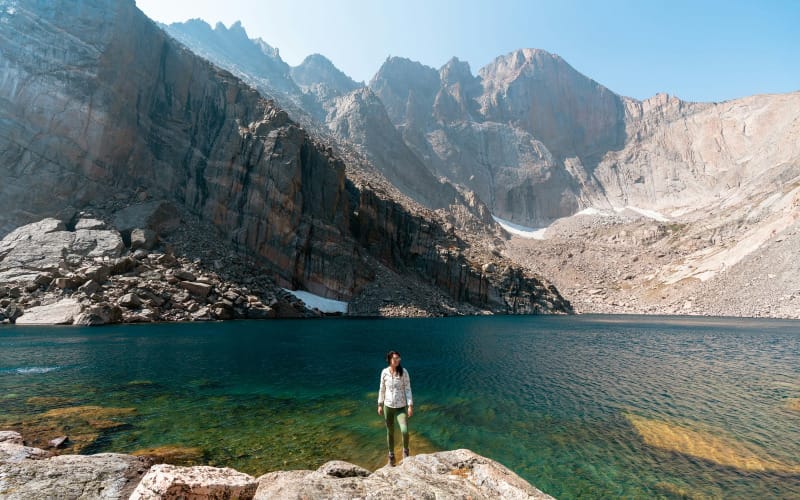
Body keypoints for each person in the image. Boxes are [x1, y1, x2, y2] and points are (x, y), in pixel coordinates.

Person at [377, 350, 413, 466]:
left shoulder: (404, 372)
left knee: (405, 430)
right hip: (388, 407)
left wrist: (410, 405)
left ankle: (406, 452)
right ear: (389, 360)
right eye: (395, 359)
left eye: (399, 358)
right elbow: (382, 389)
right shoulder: (384, 372)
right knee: (390, 432)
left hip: (401, 407)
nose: (397, 360)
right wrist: (380, 404)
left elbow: (408, 389)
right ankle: (391, 457)